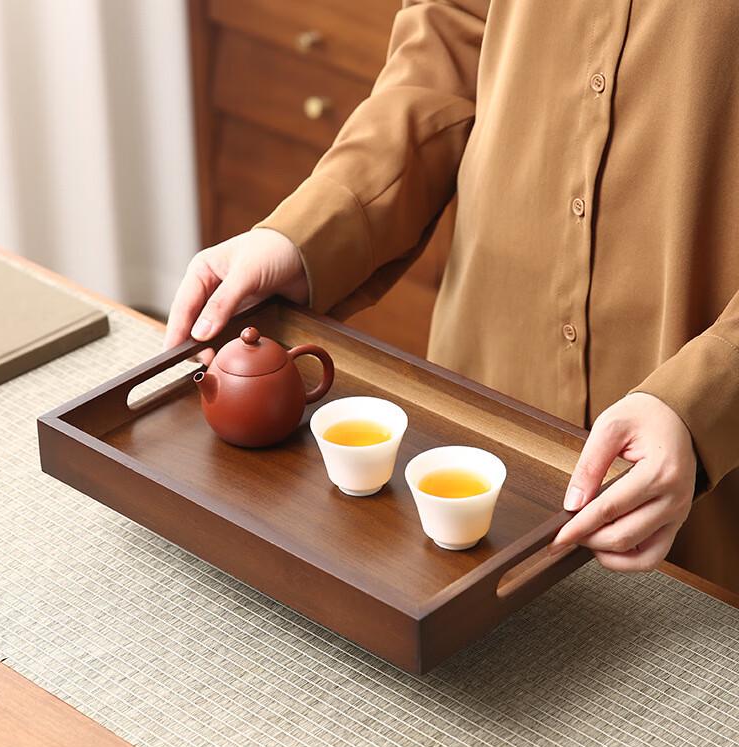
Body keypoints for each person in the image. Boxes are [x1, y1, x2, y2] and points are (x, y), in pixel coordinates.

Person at [165, 1, 739, 590]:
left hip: (702, 494)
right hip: (480, 406)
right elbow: (447, 45)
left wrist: (705, 403)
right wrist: (305, 233)